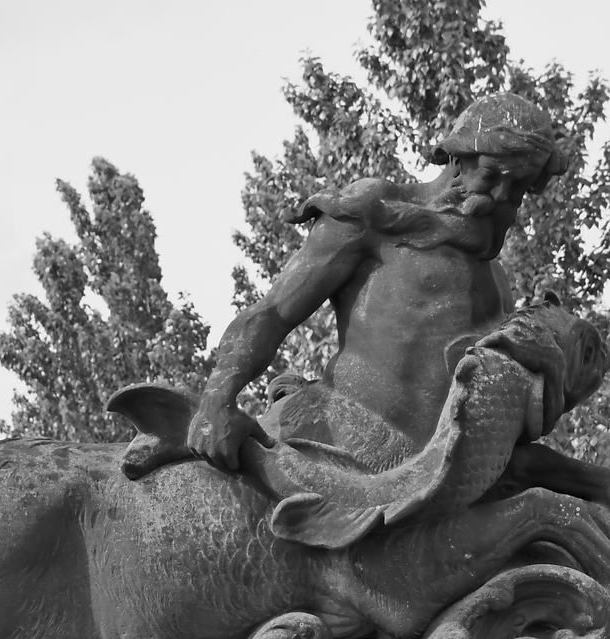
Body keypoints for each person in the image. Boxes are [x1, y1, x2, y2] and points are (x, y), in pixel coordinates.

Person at [186, 92, 568, 473]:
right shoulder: (375, 211)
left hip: (430, 477)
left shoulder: (498, 282)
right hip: (333, 443)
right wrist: (216, 399)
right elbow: (271, 314)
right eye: (492, 175)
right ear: (457, 157)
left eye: (520, 186)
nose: (503, 195)